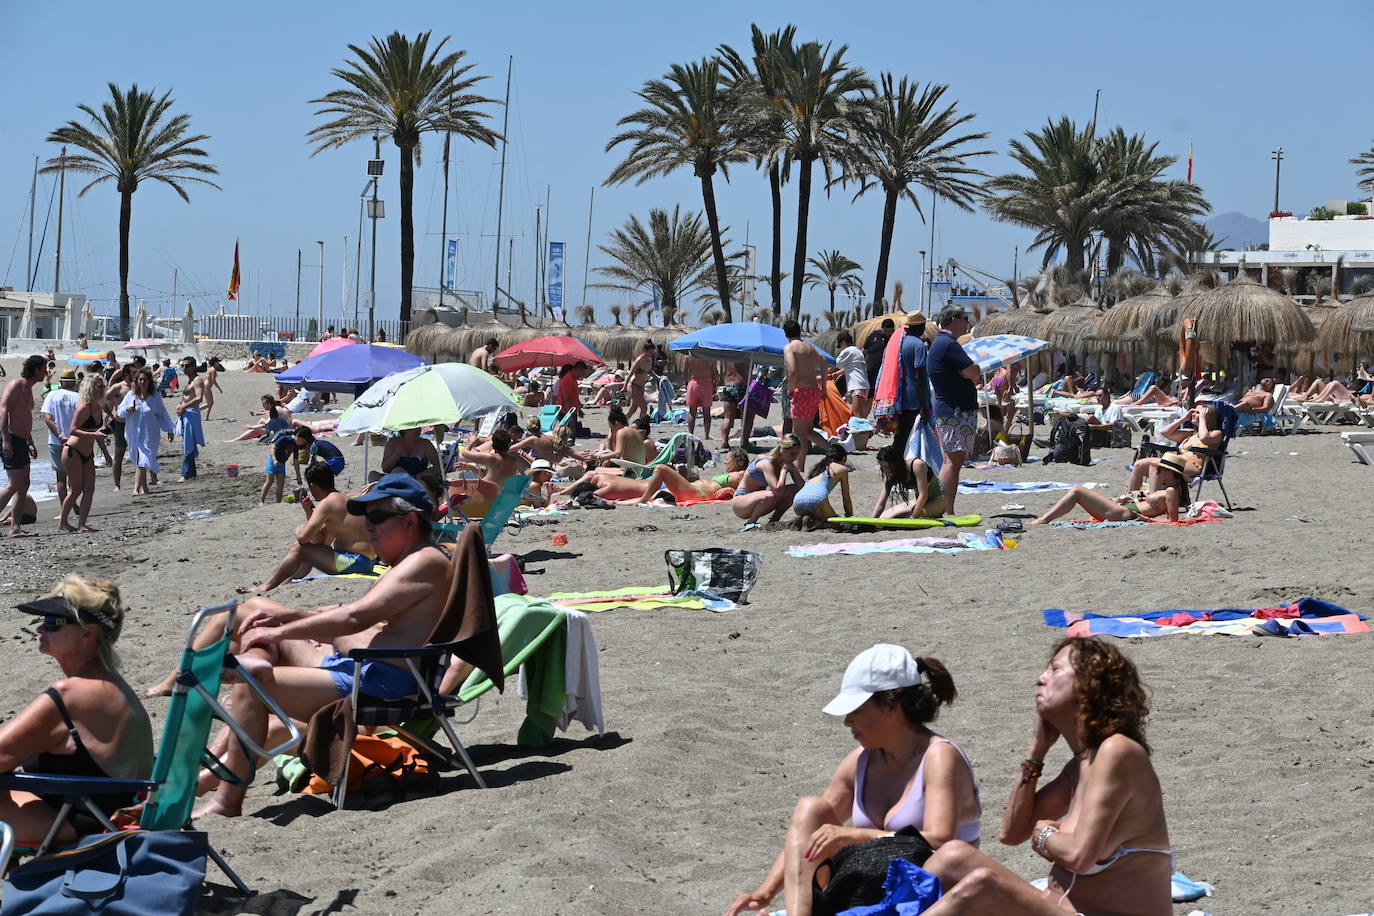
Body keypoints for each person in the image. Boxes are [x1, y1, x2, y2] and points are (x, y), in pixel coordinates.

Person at [193, 474, 451, 818]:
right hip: (363, 669)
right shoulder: (410, 562)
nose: (367, 528)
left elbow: (356, 618)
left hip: (381, 684)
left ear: (410, 521)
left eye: (375, 519)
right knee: (257, 625)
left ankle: (225, 800)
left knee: (250, 687)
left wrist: (281, 632)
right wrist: (291, 620)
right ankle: (203, 766)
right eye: (365, 519)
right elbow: (358, 620)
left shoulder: (425, 561)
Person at [921, 638, 1171, 916]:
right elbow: (1013, 833)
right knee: (952, 856)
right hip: (1058, 907)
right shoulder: (1080, 765)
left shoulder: (1118, 751)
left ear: (1089, 684)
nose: (1041, 678)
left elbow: (1079, 855)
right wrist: (1037, 751)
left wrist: (1046, 835)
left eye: (1054, 670)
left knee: (983, 884)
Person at [725, 645, 979, 916]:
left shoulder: (939, 756)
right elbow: (806, 832)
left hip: (932, 897)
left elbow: (940, 840)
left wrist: (854, 836)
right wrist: (764, 893)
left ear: (892, 705)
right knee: (811, 808)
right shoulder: (862, 759)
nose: (847, 721)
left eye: (856, 710)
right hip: (871, 890)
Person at [1, 577, 153, 844]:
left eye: (52, 622)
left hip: (87, 824)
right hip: (112, 813)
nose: (40, 629)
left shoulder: (73, 694)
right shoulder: (112, 685)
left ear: (87, 633)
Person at [229, 462, 378, 599]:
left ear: (313, 486)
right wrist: (309, 513)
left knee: (299, 548)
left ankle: (265, 586)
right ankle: (283, 583)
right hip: (365, 561)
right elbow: (321, 541)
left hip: (355, 562)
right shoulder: (343, 499)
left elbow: (303, 539)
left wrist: (299, 529)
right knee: (310, 552)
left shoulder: (327, 503)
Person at [928, 307, 981, 515]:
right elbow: (972, 371)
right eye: (964, 318)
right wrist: (972, 371)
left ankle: (946, 508)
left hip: (951, 409)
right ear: (953, 320)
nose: (967, 322)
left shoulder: (942, 344)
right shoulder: (948, 344)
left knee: (953, 461)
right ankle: (943, 509)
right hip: (955, 411)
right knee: (952, 461)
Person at [558, 448, 749, 504]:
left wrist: (731, 491)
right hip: (695, 491)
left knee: (662, 469)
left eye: (729, 459)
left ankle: (642, 499)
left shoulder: (739, 473)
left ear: (738, 463)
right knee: (661, 470)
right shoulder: (731, 476)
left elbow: (748, 480)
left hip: (696, 492)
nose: (725, 461)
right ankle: (642, 498)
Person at [1126, 404, 1222, 494]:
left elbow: (1204, 439)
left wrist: (1202, 419)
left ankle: (1153, 502)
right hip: (1175, 462)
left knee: (1156, 466)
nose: (1193, 414)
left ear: (1208, 418)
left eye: (1198, 413)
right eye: (1194, 412)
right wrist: (1183, 419)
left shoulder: (1216, 433)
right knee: (1139, 464)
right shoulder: (1191, 433)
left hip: (1192, 466)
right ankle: (1131, 498)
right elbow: (1164, 432)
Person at [0, 355, 46, 537]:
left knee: (23, 483)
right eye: (43, 369)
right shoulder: (16, 385)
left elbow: (24, 417)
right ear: (36, 369)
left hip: (21, 440)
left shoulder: (28, 389)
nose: (46, 372)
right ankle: (14, 527)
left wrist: (30, 441)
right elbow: (3, 412)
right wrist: (5, 440)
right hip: (10, 438)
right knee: (15, 484)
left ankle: (15, 527)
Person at [57, 375, 108, 533]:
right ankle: (63, 522)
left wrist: (106, 453)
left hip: (88, 453)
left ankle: (82, 524)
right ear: (90, 388)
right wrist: (94, 435)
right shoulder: (84, 407)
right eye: (98, 387)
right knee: (76, 490)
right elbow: (72, 430)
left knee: (90, 489)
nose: (101, 390)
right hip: (73, 451)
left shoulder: (98, 408)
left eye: (102, 386)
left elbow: (95, 432)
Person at [116, 368, 177, 496]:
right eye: (140, 379)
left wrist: (170, 429)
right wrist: (128, 409)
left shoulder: (155, 397)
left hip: (150, 434)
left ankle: (136, 488)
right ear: (136, 381)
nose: (142, 382)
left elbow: (162, 413)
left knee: (142, 460)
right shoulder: (131, 395)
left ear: (149, 381)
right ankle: (144, 487)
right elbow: (119, 412)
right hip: (133, 433)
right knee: (139, 459)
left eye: (145, 379)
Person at [733, 433, 805, 531]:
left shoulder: (785, 462)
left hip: (759, 503)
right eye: (792, 454)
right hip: (741, 504)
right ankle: (751, 522)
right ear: (782, 450)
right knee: (770, 495)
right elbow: (778, 492)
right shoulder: (766, 463)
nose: (795, 458)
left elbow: (802, 489)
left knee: (793, 490)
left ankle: (774, 521)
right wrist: (784, 471)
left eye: (797, 454)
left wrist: (794, 471)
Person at [1030, 484, 1179, 525]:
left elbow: (1173, 520)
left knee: (1077, 490)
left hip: (1125, 514)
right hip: (1123, 510)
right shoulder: (1163, 489)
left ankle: (1044, 520)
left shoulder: (1171, 491)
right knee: (1078, 492)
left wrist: (1149, 520)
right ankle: (1044, 519)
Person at [783, 319, 827, 455]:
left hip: (802, 392)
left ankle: (799, 467)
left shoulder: (789, 348)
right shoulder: (809, 347)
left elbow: (792, 370)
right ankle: (834, 450)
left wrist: (790, 388)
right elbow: (824, 363)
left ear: (786, 334)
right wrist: (824, 388)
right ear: (800, 332)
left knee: (799, 434)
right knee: (808, 431)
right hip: (814, 391)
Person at [41, 368, 81, 512]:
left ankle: (64, 508)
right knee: (74, 476)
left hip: (56, 441)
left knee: (60, 477)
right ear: (73, 383)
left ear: (61, 382)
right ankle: (72, 502)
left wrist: (58, 435)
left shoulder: (52, 395)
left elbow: (47, 418)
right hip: (74, 441)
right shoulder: (77, 397)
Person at [872, 443, 946, 519]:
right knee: (885, 516)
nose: (885, 470)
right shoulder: (890, 474)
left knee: (916, 515)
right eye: (882, 467)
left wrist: (911, 517)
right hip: (921, 500)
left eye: (887, 467)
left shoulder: (917, 465)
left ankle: (935, 512)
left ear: (896, 463)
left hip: (939, 498)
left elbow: (923, 495)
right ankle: (931, 513)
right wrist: (872, 521)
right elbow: (881, 503)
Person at [893, 314, 932, 455]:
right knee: (913, 441)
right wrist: (924, 406)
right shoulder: (918, 345)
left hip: (900, 398)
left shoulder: (900, 342)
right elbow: (920, 376)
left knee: (901, 438)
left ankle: (895, 468)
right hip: (914, 400)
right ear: (920, 326)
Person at [792, 442, 854, 530]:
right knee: (837, 524)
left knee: (817, 515)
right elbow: (846, 497)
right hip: (817, 500)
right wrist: (849, 516)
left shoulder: (817, 468)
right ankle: (814, 523)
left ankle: (803, 520)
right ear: (843, 459)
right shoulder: (842, 469)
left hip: (797, 501)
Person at [174, 356, 206, 481]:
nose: (185, 368)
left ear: (193, 366)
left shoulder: (197, 380)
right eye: (183, 366)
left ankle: (185, 473)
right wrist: (180, 405)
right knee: (188, 443)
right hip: (186, 413)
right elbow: (187, 398)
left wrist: (184, 406)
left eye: (187, 366)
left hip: (191, 414)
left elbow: (199, 398)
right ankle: (191, 472)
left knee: (188, 443)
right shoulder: (189, 381)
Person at [835, 331, 870, 418]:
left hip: (856, 386)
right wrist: (837, 374)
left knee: (856, 414)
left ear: (842, 342)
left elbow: (836, 363)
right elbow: (852, 367)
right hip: (863, 386)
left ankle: (862, 431)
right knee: (860, 414)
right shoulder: (857, 351)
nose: (841, 349)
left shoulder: (848, 351)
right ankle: (863, 430)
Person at [683, 355, 719, 440]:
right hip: (706, 383)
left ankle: (690, 434)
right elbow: (715, 373)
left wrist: (686, 383)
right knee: (706, 412)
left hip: (694, 382)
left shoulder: (689, 356)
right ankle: (706, 435)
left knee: (692, 412)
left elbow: (684, 372)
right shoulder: (709, 355)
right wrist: (715, 385)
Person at [718, 361, 749, 447]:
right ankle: (745, 441)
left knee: (727, 417)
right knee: (745, 416)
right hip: (742, 385)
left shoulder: (730, 354)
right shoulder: (747, 353)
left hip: (729, 385)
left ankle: (724, 442)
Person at [624, 340, 656, 424]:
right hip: (633, 386)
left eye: (652, 352)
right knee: (644, 407)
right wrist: (624, 387)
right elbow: (630, 373)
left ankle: (621, 423)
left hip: (641, 387)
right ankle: (640, 426)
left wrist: (658, 378)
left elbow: (649, 371)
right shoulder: (639, 360)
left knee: (632, 410)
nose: (651, 354)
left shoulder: (649, 360)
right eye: (650, 352)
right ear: (644, 350)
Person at [864, 318, 895, 393]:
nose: (887, 333)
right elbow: (865, 350)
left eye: (890, 331)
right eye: (885, 331)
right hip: (871, 370)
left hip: (886, 372)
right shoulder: (874, 335)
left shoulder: (894, 338)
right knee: (869, 393)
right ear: (882, 329)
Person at [202, 356, 223, 420]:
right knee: (210, 403)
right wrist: (219, 389)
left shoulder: (210, 368)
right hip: (207, 387)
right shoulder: (213, 370)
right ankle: (204, 416)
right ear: (215, 363)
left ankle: (206, 417)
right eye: (217, 362)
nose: (218, 364)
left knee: (210, 403)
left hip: (205, 386)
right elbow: (213, 380)